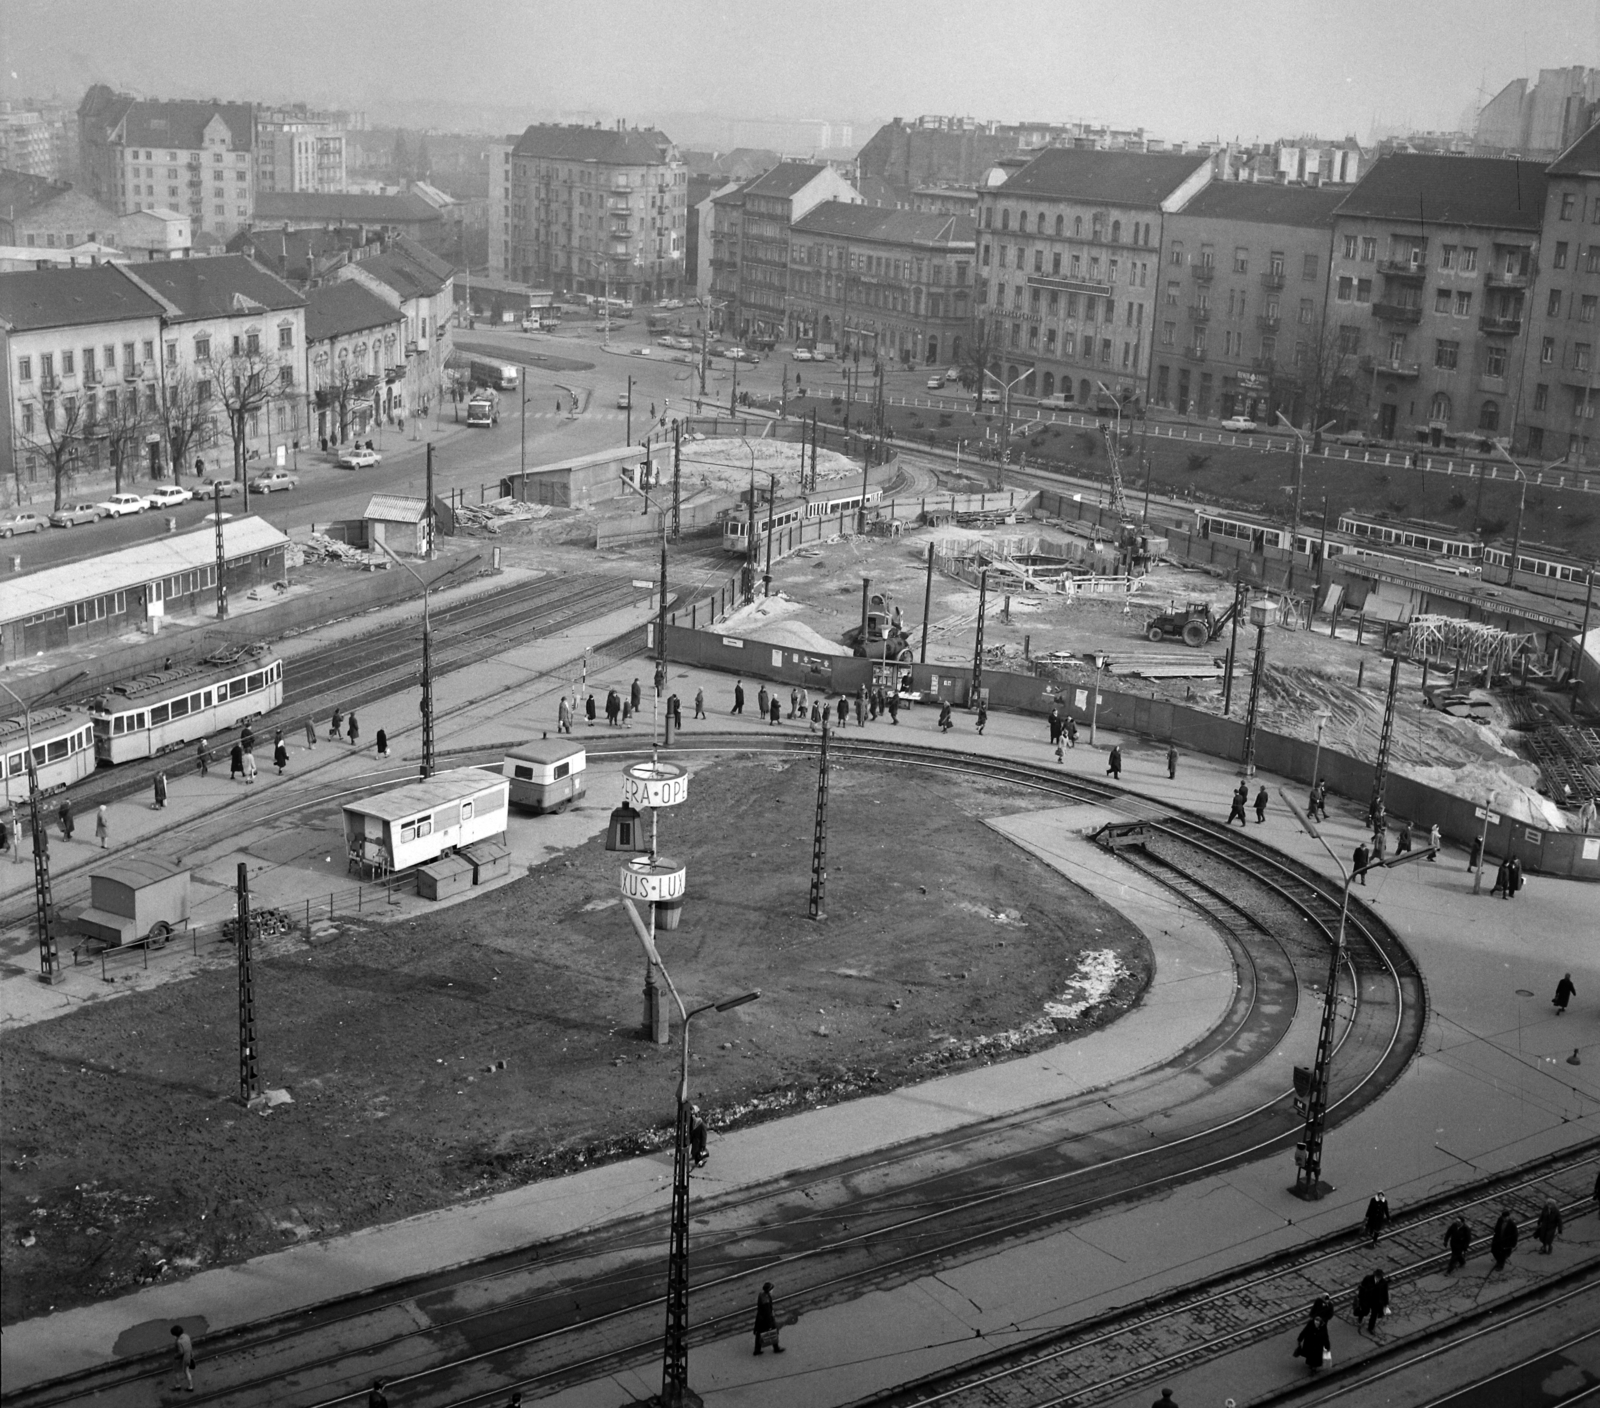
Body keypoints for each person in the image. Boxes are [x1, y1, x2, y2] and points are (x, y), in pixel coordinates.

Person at [1294, 1308, 1331, 1372]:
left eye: (1318, 1321)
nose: (1316, 1322)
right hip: (1310, 1343)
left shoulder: (1323, 1328)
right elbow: (1304, 1331)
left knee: (1316, 1358)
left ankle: (1314, 1368)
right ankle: (1311, 1365)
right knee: (1310, 1356)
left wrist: (1327, 1346)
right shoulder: (1310, 1324)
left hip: (1318, 1346)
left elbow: (1325, 1337)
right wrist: (1299, 1339)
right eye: (1316, 1320)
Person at [753, 1281, 784, 1355]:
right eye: (772, 1289)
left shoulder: (761, 1295)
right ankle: (776, 1348)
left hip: (760, 1319)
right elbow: (767, 1314)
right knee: (773, 1332)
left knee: (759, 1333)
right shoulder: (766, 1300)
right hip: (766, 1320)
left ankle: (757, 1350)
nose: (773, 1290)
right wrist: (770, 1325)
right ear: (769, 1290)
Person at [1355, 1267, 1389, 1333]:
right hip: (1367, 1299)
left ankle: (1370, 1328)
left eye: (1380, 1277)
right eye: (1378, 1276)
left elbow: (1385, 1293)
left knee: (1374, 1315)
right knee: (1365, 1311)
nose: (1379, 1278)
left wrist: (1386, 1303)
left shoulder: (1384, 1282)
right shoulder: (1368, 1278)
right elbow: (1362, 1287)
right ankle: (1360, 1317)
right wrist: (1360, 1296)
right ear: (1375, 1275)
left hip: (1376, 1301)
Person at [171, 1324, 196, 1392]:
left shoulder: (178, 1342)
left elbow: (181, 1352)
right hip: (188, 1357)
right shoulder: (186, 1336)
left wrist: (175, 1356)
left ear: (175, 1335)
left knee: (176, 1372)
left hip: (181, 1359)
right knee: (187, 1371)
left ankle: (178, 1385)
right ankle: (190, 1387)